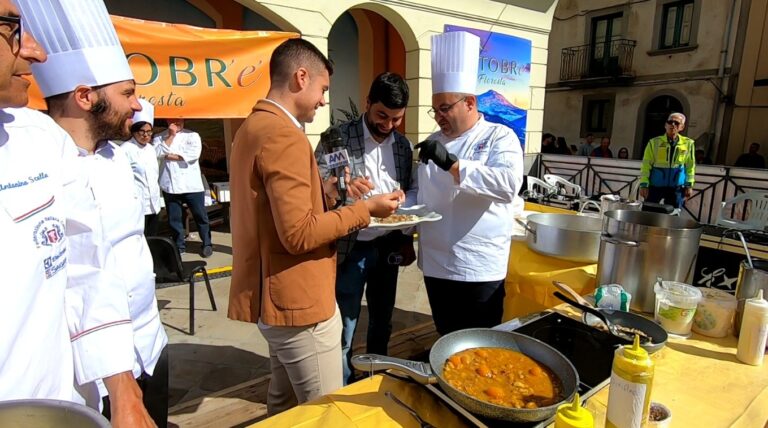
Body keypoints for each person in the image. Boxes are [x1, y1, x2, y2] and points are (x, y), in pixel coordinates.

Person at [227, 39, 402, 415]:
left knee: (285, 406)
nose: (324, 100)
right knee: (325, 413)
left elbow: (271, 210)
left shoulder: (252, 126)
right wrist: (366, 210)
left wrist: (329, 190)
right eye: (323, 89)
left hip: (273, 294)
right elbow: (299, 234)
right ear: (300, 77)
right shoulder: (284, 134)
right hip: (298, 302)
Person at [20, 0, 168, 426]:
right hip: (89, 373)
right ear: (85, 97)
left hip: (149, 347)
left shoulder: (118, 159)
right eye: (127, 93)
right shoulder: (37, 165)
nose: (138, 106)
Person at [415, 31, 524, 335]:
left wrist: (453, 164)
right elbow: (421, 192)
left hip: (478, 267)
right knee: (444, 336)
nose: (438, 116)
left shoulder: (499, 137)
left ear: (470, 103)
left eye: (445, 108)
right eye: (435, 109)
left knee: (479, 343)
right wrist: (396, 204)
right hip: (436, 264)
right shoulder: (434, 142)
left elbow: (507, 185)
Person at [0, 0, 81, 403]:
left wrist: (122, 390)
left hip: (55, 405)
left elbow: (86, 266)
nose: (36, 51)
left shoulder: (39, 136)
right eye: (11, 27)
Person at [314, 72, 417, 385]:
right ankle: (342, 384)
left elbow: (412, 188)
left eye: (396, 119)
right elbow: (317, 187)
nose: (387, 125)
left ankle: (377, 378)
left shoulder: (403, 146)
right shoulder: (337, 138)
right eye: (381, 116)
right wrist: (343, 188)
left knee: (382, 319)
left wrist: (404, 199)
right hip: (351, 245)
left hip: (388, 244)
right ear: (368, 103)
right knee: (344, 322)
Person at [154, 118, 212, 257]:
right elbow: (157, 153)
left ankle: (207, 243)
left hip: (191, 184)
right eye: (173, 119)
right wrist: (171, 136)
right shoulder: (159, 137)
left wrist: (168, 155)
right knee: (174, 218)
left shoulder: (193, 135)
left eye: (179, 119)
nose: (176, 122)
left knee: (200, 215)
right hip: (170, 185)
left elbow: (192, 155)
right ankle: (179, 246)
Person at [639, 112, 696, 209]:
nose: (672, 125)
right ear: (665, 125)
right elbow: (646, 165)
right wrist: (644, 184)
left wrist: (689, 185)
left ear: (682, 127)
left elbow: (690, 166)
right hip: (655, 186)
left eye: (676, 123)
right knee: (648, 213)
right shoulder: (654, 142)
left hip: (676, 187)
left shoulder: (688, 144)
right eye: (670, 122)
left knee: (673, 216)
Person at [122, 99, 162, 236]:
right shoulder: (125, 149)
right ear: (134, 131)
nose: (146, 135)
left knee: (153, 236)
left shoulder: (151, 149)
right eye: (142, 131)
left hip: (154, 203)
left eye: (149, 132)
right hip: (137, 205)